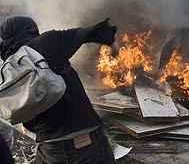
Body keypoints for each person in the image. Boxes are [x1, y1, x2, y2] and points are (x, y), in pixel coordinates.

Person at [0, 16, 117, 164]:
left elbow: (26, 119)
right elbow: (96, 31)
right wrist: (113, 45)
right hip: (84, 147)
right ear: (31, 30)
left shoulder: (9, 67)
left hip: (50, 150)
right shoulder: (46, 43)